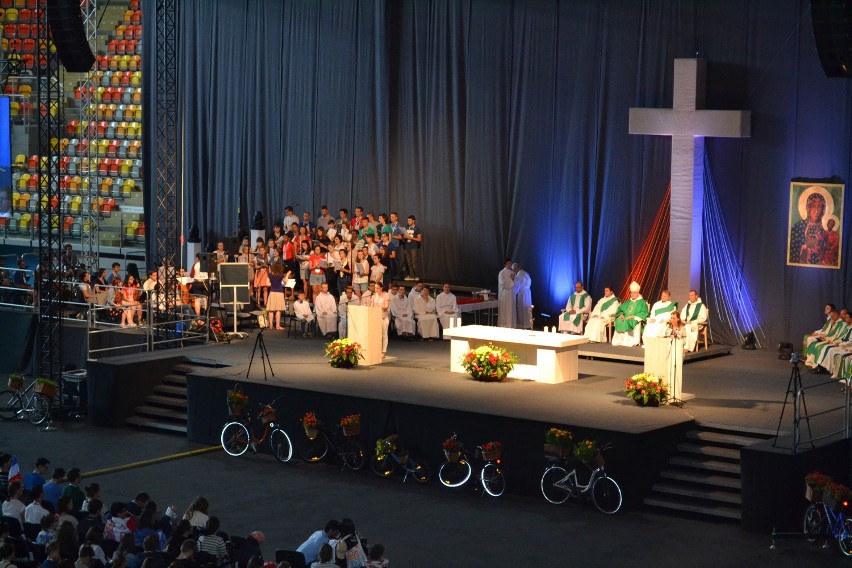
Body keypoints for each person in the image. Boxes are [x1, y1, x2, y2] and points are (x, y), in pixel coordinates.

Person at [789, 191, 828, 265]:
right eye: (813, 206)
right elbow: (792, 250)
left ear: (823, 209)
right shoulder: (798, 226)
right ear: (808, 208)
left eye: (819, 206)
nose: (816, 211)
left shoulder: (824, 229)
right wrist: (804, 248)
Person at [611, 281, 649, 347]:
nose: (632, 294)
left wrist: (634, 316)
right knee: (619, 321)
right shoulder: (627, 302)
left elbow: (644, 312)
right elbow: (620, 309)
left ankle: (628, 341)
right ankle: (619, 341)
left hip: (634, 319)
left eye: (634, 293)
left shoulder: (642, 302)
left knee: (626, 322)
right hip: (625, 317)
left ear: (638, 293)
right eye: (631, 293)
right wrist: (621, 314)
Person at [266, 263, 289, 330]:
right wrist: (287, 275)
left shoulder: (270, 275)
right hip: (279, 293)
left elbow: (267, 283)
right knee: (278, 310)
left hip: (272, 292)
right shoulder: (281, 275)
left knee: (271, 310)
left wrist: (272, 284)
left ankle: (270, 325)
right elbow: (285, 282)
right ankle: (277, 326)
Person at [400, 215, 422, 280]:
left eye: (409, 220)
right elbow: (404, 237)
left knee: (414, 263)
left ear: (413, 221)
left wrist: (411, 237)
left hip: (413, 247)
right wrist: (403, 236)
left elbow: (419, 239)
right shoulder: (407, 228)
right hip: (407, 247)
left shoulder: (417, 229)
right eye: (408, 220)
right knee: (409, 263)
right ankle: (411, 276)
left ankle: (416, 276)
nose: (408, 221)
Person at [373, 282, 391, 358]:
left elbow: (386, 307)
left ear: (381, 288)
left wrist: (379, 307)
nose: (376, 289)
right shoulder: (374, 296)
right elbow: (372, 306)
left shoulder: (386, 295)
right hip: (376, 318)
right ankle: (376, 350)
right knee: (376, 335)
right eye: (375, 288)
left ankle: (383, 351)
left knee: (384, 334)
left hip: (384, 317)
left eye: (377, 288)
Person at [513, 263, 532, 329]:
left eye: (514, 270)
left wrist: (513, 292)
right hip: (527, 293)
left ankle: (522, 325)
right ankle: (528, 324)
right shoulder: (526, 273)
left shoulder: (519, 274)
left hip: (522, 294)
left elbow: (518, 285)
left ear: (517, 268)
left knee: (522, 309)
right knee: (527, 310)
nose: (514, 271)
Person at [497, 260, 515, 328]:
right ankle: (504, 325)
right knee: (505, 309)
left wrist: (513, 279)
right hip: (505, 293)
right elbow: (503, 284)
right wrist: (510, 279)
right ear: (505, 264)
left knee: (511, 309)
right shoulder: (501, 272)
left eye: (510, 263)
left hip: (512, 293)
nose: (509, 265)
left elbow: (516, 282)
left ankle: (511, 324)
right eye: (508, 263)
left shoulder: (512, 272)